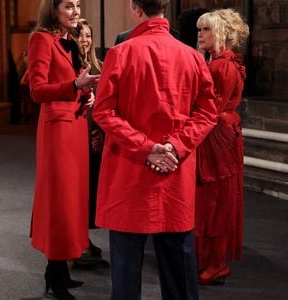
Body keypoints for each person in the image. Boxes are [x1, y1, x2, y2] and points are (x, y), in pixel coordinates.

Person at [92, 0, 218, 299]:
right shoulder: (192, 56)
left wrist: (147, 148)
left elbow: (104, 112)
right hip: (175, 172)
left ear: (135, 8)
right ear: (165, 8)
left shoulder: (120, 53)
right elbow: (208, 113)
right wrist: (174, 146)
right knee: (180, 272)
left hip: (129, 172)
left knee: (125, 275)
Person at [27, 0, 99, 299]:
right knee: (59, 201)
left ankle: (57, 270)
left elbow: (73, 83)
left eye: (78, 5)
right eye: (68, 6)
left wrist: (87, 93)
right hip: (57, 132)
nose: (76, 11)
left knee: (72, 201)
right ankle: (56, 276)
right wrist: (73, 85)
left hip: (75, 128)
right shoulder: (41, 39)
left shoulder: (69, 41)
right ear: (53, 10)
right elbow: (37, 90)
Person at [195, 9, 249, 285]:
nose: (200, 35)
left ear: (221, 34)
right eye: (199, 30)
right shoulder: (222, 62)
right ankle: (210, 262)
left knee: (215, 202)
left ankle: (215, 264)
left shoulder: (221, 66)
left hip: (217, 139)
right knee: (214, 201)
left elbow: (210, 109)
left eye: (206, 30)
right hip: (221, 136)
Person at [70, 18, 104, 266]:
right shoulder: (70, 65)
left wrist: (100, 132)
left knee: (91, 191)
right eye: (80, 35)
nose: (85, 40)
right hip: (75, 136)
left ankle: (84, 238)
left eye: (89, 35)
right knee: (76, 192)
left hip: (96, 137)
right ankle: (74, 243)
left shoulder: (100, 66)